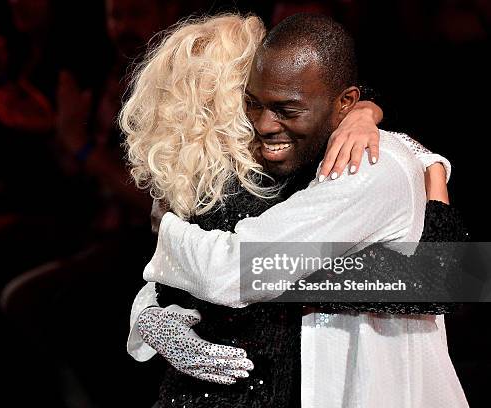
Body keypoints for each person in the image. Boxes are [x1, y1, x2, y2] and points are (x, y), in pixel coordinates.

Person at [122, 13, 467, 407]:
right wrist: (151, 314)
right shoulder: (231, 180)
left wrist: (165, 229)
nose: (265, 123)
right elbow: (216, 272)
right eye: (252, 103)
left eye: (285, 107)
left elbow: (236, 269)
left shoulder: (356, 161)